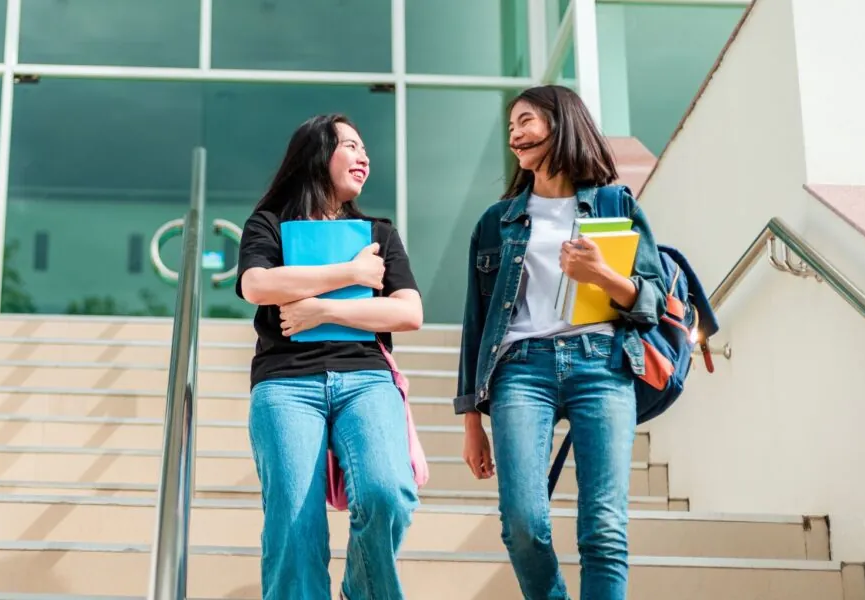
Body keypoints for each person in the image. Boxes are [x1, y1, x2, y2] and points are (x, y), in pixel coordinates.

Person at [455, 85, 667, 600]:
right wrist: (471, 421)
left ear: (561, 124)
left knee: (605, 528)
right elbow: (476, 323)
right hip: (521, 370)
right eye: (511, 128)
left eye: (525, 121)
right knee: (523, 523)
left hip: (603, 365)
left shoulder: (616, 204)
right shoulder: (496, 221)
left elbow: (652, 300)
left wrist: (602, 276)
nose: (515, 135)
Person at [236, 113, 423, 600]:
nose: (364, 157)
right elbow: (256, 285)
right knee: (294, 527)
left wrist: (318, 309)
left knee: (388, 494)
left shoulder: (378, 232)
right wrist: (352, 272)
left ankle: (359, 589)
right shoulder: (269, 224)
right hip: (285, 383)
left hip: (366, 377)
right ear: (318, 155)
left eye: (365, 149)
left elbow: (409, 312)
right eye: (351, 146)